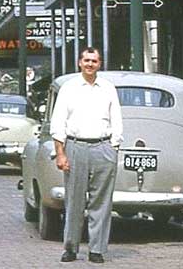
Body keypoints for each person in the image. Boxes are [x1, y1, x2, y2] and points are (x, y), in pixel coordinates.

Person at [49, 47, 123, 264]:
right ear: (80, 62)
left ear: (100, 64)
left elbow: (116, 118)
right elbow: (58, 122)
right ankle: (70, 247)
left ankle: (97, 249)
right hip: (75, 147)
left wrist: (114, 147)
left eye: (95, 61)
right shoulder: (69, 88)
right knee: (75, 200)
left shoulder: (108, 88)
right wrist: (60, 153)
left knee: (101, 203)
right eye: (87, 60)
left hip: (102, 147)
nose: (90, 64)